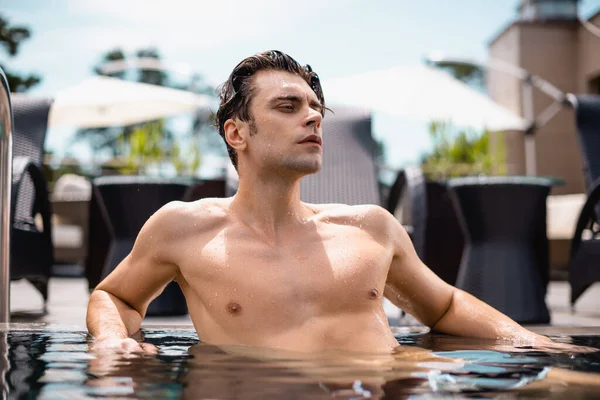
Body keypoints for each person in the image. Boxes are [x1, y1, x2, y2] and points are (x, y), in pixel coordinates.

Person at [86, 50, 587, 355]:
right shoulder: (183, 228)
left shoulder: (370, 227)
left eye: (315, 108)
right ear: (236, 133)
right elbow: (116, 297)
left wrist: (533, 343)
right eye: (288, 106)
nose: (313, 119)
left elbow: (446, 305)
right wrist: (112, 339)